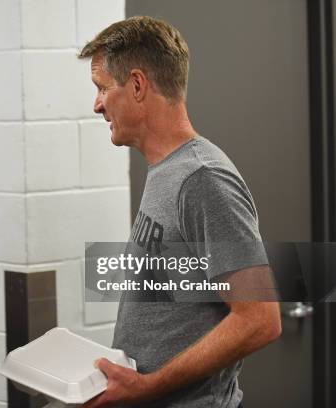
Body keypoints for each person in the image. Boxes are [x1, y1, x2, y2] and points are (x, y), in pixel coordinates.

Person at [78, 17, 281, 408]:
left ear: (137, 85)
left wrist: (149, 386)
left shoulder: (202, 178)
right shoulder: (166, 171)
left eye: (102, 88)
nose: (97, 104)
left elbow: (260, 320)